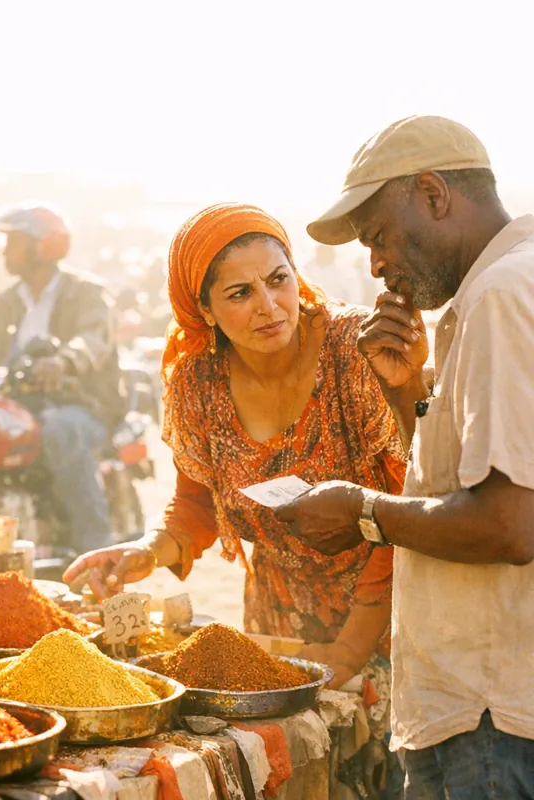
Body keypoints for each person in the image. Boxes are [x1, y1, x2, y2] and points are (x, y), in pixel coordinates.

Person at [277, 115, 534, 798]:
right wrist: (405, 393)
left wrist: (362, 513)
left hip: (492, 720)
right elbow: (469, 481)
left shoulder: (502, 296)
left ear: (434, 193)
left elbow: (508, 525)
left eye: (379, 237)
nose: (376, 264)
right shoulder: (502, 285)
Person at [65, 203, 408, 694]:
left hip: (390, 621)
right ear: (204, 309)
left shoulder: (356, 351)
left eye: (278, 279)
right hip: (280, 625)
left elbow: (406, 504)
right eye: (240, 293)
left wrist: (351, 648)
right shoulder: (198, 380)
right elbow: (196, 503)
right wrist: (147, 551)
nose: (269, 306)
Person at [0, 203, 122, 554]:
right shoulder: (7, 302)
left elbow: (92, 339)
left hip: (80, 405)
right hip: (19, 406)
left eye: (13, 241)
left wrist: (63, 362)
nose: (4, 250)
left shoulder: (86, 293)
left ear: (42, 246)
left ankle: (95, 550)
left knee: (60, 429)